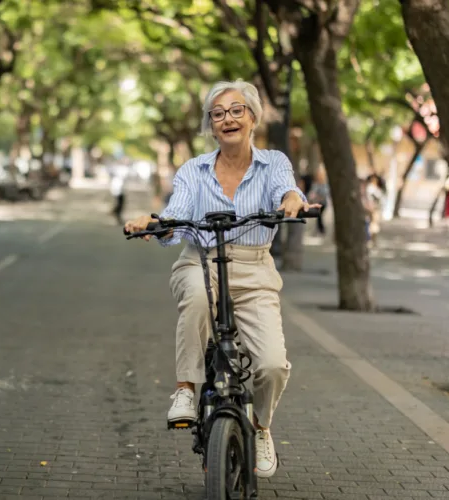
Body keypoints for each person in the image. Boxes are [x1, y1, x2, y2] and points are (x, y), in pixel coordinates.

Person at [123, 80, 319, 478]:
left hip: (255, 268)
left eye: (236, 110)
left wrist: (291, 203)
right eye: (217, 113)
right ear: (210, 125)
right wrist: (155, 223)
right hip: (202, 260)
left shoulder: (273, 162)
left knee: (272, 366)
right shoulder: (193, 170)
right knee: (195, 294)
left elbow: (288, 191)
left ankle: (262, 428)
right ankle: (186, 388)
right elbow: (175, 213)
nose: (227, 118)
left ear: (252, 117)